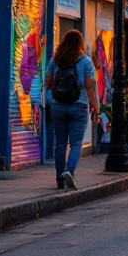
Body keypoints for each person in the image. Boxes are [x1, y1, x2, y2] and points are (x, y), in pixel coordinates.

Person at [44, 30, 99, 190]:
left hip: (57, 105)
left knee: (59, 143)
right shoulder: (85, 62)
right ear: (81, 43)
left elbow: (48, 82)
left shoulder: (55, 61)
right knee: (76, 143)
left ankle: (59, 178)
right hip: (78, 105)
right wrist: (95, 104)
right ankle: (69, 170)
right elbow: (89, 86)